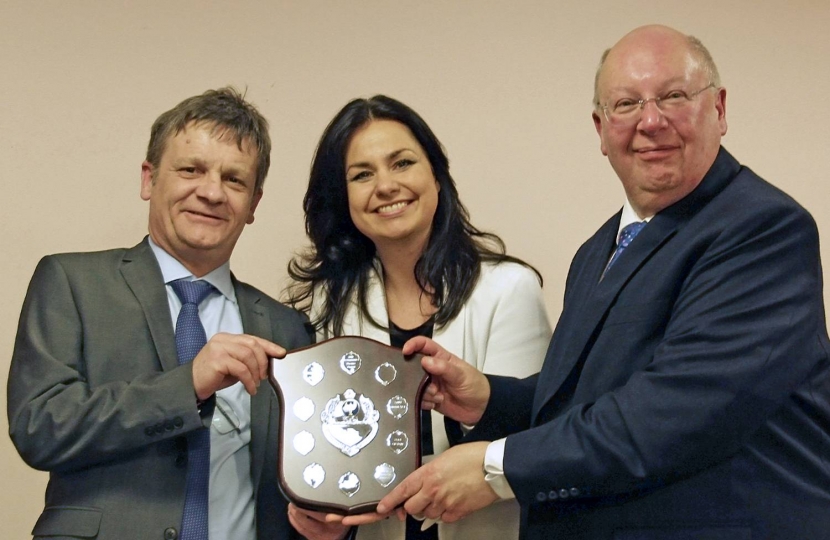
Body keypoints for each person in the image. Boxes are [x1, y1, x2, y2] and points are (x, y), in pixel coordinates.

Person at [340, 25, 830, 539]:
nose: (650, 121)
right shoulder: (599, 250)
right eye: (625, 104)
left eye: (673, 96)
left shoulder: (762, 229)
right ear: (600, 128)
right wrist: (487, 397)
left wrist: (496, 467)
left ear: (720, 109)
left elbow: (674, 411)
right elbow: (588, 399)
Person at [7, 87, 312, 540]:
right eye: (191, 169)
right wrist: (188, 384)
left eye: (234, 180)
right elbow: (40, 427)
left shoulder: (286, 327)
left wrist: (323, 522)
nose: (211, 192)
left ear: (253, 204)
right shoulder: (71, 282)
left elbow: (301, 478)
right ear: (149, 179)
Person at [284, 95, 552, 540]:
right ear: (344, 197)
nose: (385, 186)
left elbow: (538, 436)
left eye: (402, 163)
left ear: (436, 176)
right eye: (362, 174)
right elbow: (329, 452)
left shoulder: (510, 289)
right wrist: (323, 518)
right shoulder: (328, 304)